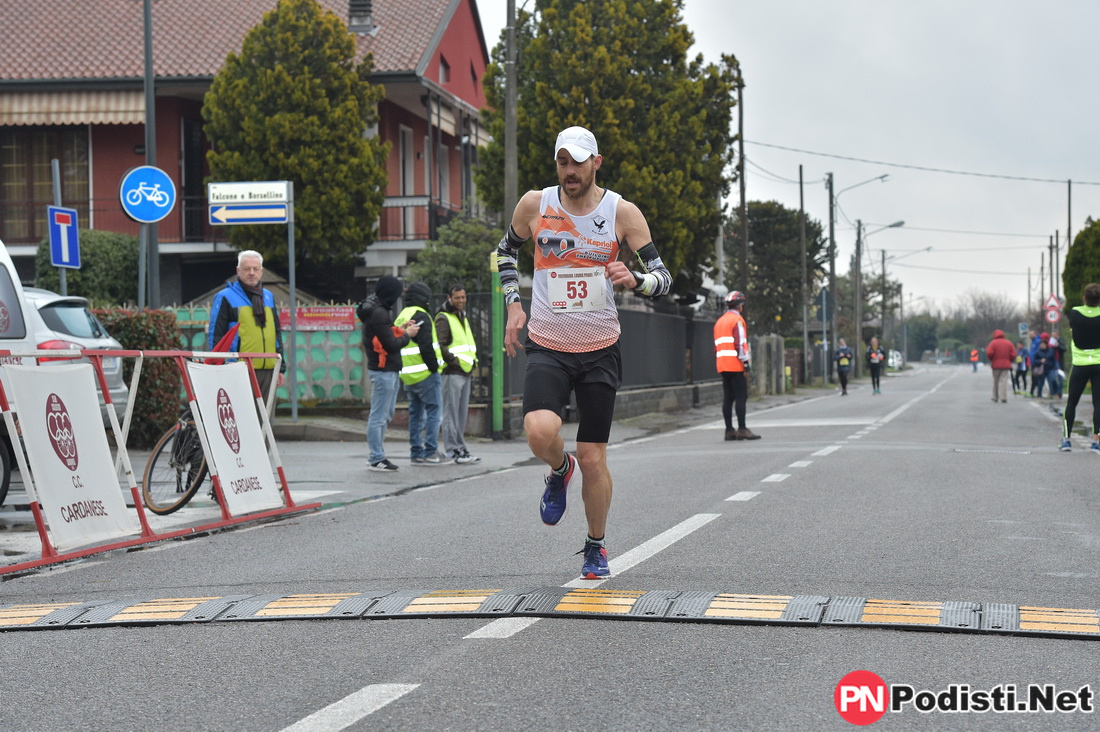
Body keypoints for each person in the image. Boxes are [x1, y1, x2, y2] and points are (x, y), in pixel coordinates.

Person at [494, 125, 672, 579]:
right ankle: (558, 469)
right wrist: (514, 305)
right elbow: (505, 253)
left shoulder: (621, 212)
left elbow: (663, 277)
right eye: (562, 162)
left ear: (597, 162)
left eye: (577, 162)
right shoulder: (536, 204)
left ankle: (596, 545)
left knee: (594, 457)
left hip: (600, 348)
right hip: (549, 344)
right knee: (538, 429)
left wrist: (636, 280)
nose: (569, 171)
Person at [357, 276, 420, 471]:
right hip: (383, 370)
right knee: (379, 415)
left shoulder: (376, 310)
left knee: (385, 414)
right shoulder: (379, 313)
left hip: (386, 370)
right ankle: (376, 457)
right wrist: (408, 335)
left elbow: (384, 335)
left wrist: (400, 329)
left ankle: (377, 455)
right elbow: (391, 344)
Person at [207, 250, 286, 402]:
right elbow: (216, 335)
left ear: (261, 271)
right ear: (238, 270)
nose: (251, 273)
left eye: (255, 269)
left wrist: (281, 367)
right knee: (242, 419)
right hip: (239, 369)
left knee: (266, 421)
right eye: (246, 269)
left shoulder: (268, 297)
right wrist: (220, 366)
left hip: (268, 368)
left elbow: (276, 333)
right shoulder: (226, 297)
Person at [396, 282, 449, 465]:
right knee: (434, 413)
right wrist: (434, 368)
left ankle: (416, 452)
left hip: (407, 374)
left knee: (416, 414)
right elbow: (426, 346)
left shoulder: (402, 315)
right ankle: (430, 452)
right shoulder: (422, 315)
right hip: (425, 373)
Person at [435, 284, 480, 464]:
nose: (461, 301)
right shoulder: (443, 318)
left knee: (460, 414)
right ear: (449, 298)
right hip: (452, 372)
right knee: (450, 413)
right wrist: (455, 362)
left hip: (464, 371)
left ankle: (460, 448)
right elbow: (440, 345)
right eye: (457, 298)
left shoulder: (462, 316)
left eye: (463, 297)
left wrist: (472, 362)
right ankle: (452, 450)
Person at [715, 291, 761, 440]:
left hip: (722, 365)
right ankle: (742, 429)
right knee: (741, 396)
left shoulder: (720, 322)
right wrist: (746, 363)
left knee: (728, 397)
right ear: (740, 306)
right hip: (735, 364)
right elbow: (740, 343)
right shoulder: (737, 320)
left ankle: (729, 430)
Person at [1060, 283, 1100, 452]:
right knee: (1098, 405)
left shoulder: (1074, 314)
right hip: (1098, 364)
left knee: (1072, 403)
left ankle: (1066, 440)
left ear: (1084, 298)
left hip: (1080, 365)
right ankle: (1096, 440)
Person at [985, 329, 1015, 403]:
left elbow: (989, 352)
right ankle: (1003, 397)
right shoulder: (1009, 343)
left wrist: (991, 359)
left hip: (995, 365)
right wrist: (1009, 360)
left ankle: (995, 397)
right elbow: (1013, 354)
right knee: (1004, 381)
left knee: (996, 381)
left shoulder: (993, 343)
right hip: (1006, 364)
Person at [1030, 333, 1054, 398]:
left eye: (1043, 344)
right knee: (1040, 383)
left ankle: (1052, 394)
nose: (1042, 346)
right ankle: (1039, 395)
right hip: (1041, 369)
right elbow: (1035, 360)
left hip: (1049, 368)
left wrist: (1052, 366)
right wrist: (1040, 361)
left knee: (1051, 381)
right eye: (1041, 344)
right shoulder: (1038, 352)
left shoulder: (1050, 351)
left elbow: (1052, 359)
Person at [1047, 332, 1066, 399]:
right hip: (1053, 363)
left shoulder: (1060, 341)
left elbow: (1064, 349)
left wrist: (1058, 346)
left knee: (1060, 379)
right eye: (1052, 335)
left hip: (1060, 362)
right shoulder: (1050, 342)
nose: (1053, 337)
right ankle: (1053, 392)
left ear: (1057, 335)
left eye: (1054, 335)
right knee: (1052, 378)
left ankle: (1059, 393)